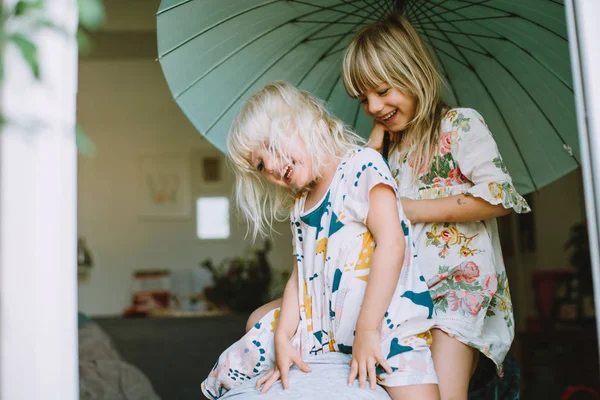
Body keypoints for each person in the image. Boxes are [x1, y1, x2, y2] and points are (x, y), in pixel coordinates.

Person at [201, 81, 440, 400]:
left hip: (386, 326)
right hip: (326, 336)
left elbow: (392, 244)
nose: (271, 167)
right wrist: (283, 338)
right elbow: (300, 277)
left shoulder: (361, 166)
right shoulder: (301, 205)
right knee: (258, 329)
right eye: (261, 166)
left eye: (271, 148)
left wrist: (368, 330)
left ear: (303, 122)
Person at [340, 13, 531, 400]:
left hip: (460, 292)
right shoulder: (386, 155)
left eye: (381, 91)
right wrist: (374, 150)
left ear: (412, 73)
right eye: (363, 100)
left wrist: (410, 208)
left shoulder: (458, 125)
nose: (374, 106)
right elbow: (354, 211)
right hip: (408, 297)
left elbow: (500, 197)